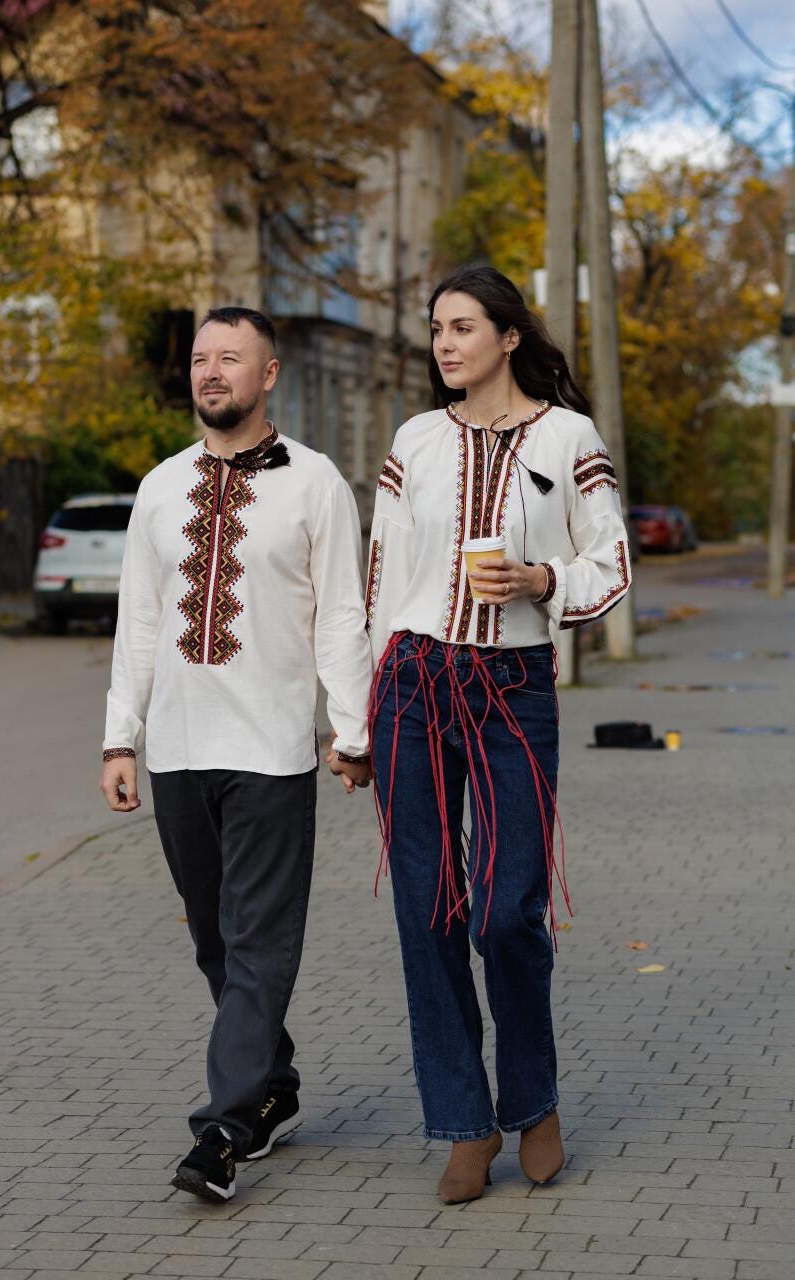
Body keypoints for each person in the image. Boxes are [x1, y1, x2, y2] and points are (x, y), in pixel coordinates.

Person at [366, 265, 631, 1205]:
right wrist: (358, 713)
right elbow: (380, 572)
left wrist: (539, 582)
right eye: (436, 328)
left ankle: (535, 1100)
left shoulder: (567, 437)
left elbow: (611, 559)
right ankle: (464, 1124)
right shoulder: (414, 440)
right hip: (410, 683)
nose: (444, 343)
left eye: (463, 327)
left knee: (506, 911)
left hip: (514, 688)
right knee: (427, 909)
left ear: (508, 337)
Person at [100, 306, 373, 1204]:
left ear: (269, 375)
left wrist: (352, 725)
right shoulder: (159, 486)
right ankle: (274, 1088)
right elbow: (137, 619)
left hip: (272, 747)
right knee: (216, 942)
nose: (210, 372)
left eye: (230, 358)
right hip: (178, 746)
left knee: (258, 941)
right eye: (200, 359)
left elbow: (340, 613)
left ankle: (222, 1130)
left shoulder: (316, 483)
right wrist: (119, 734)